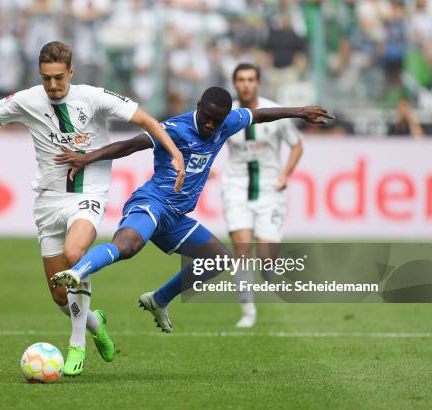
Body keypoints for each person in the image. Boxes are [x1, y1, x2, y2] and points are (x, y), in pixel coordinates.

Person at [0, 41, 185, 376]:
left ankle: (77, 344)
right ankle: (95, 324)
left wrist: (175, 154)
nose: (52, 85)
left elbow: (148, 120)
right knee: (61, 297)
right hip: (48, 200)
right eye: (46, 78)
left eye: (59, 78)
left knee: (75, 254)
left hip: (87, 195)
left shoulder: (92, 98)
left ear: (71, 72)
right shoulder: (27, 100)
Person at [51, 86, 333, 333]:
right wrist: (87, 158)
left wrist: (300, 112)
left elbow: (258, 115)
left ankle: (159, 299)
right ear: (198, 106)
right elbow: (128, 145)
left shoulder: (228, 122)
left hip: (175, 217)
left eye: (217, 120)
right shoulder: (174, 128)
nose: (211, 125)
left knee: (220, 259)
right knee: (129, 245)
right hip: (152, 203)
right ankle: (76, 272)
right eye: (207, 117)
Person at [221, 63, 304, 328]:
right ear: (235, 84)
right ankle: (248, 311)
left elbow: (297, 146)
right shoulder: (226, 114)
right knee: (242, 250)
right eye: (241, 80)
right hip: (236, 187)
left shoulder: (275, 111)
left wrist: (285, 174)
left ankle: (268, 270)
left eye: (251, 79)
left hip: (270, 188)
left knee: (267, 259)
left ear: (258, 83)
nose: (246, 84)